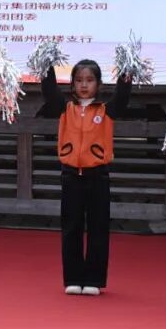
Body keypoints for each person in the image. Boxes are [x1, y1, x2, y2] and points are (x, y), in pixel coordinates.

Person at [39, 59, 131, 296]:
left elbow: (122, 97)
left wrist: (127, 70)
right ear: (72, 84)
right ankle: (73, 277)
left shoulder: (106, 110)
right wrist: (46, 65)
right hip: (71, 175)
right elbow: (49, 91)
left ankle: (94, 279)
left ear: (98, 84)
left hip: (98, 175)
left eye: (89, 80)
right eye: (79, 80)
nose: (83, 85)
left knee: (98, 227)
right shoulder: (65, 108)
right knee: (71, 227)